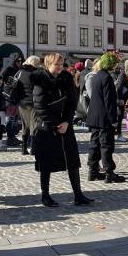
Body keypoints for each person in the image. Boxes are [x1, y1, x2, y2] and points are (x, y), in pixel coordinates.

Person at [33, 53, 93, 207]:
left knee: (72, 160)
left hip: (65, 126)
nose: (60, 67)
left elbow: (72, 102)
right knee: (46, 163)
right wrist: (55, 125)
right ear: (48, 65)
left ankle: (78, 194)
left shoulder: (66, 78)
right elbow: (40, 107)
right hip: (47, 128)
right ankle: (45, 195)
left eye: (61, 64)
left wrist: (66, 121)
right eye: (56, 64)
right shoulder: (40, 80)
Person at [86, 52, 125, 184]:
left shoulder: (96, 75)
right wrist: (113, 120)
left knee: (95, 144)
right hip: (104, 118)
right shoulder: (107, 77)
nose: (116, 65)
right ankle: (109, 173)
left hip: (94, 116)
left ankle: (92, 171)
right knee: (106, 145)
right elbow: (109, 101)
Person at [16, 56, 42, 156]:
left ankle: (23, 149)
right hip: (33, 102)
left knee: (25, 125)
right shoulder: (35, 73)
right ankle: (33, 148)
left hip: (21, 102)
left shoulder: (20, 72)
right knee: (34, 125)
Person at [115, 62, 128, 142]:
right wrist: (120, 99)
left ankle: (118, 134)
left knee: (120, 117)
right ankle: (119, 134)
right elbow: (119, 87)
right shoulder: (123, 74)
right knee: (119, 117)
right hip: (121, 100)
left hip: (125, 99)